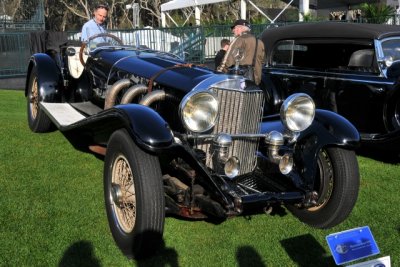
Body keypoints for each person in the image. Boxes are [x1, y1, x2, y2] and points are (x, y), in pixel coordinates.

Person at [216, 19, 265, 85]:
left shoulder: (239, 40)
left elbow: (228, 60)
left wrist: (219, 72)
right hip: (256, 81)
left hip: (241, 80)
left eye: (234, 28)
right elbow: (262, 61)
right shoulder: (259, 42)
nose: (233, 31)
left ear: (239, 28)